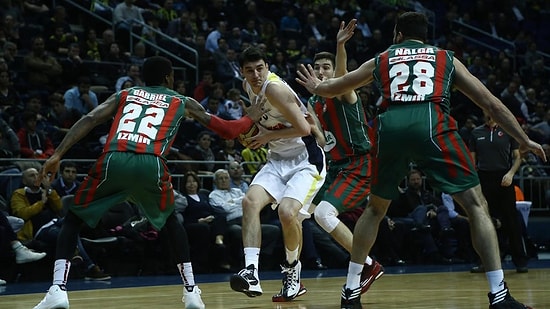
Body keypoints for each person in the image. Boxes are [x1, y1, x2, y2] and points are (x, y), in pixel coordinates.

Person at [296, 13, 545, 309]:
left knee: (375, 210)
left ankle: (350, 292)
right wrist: (523, 139)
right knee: (476, 205)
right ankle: (498, 295)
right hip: (430, 121)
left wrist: (317, 88)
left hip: (391, 126)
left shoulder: (384, 57)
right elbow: (490, 102)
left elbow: (338, 86)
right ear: (423, 36)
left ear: (398, 34)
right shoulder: (445, 57)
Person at [32, 56, 267, 309]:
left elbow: (90, 118)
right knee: (171, 223)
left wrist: (57, 154)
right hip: (150, 163)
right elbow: (228, 130)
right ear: (168, 78)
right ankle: (191, 293)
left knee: (73, 220)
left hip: (114, 159)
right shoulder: (181, 100)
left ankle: (58, 289)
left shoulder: (125, 94)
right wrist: (249, 118)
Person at [229, 46, 327, 302]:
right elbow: (254, 126)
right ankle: (251, 272)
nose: (255, 74)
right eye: (249, 70)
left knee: (286, 212)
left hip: (305, 159)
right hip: (277, 159)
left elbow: (305, 129)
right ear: (242, 72)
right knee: (249, 201)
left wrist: (268, 135)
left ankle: (293, 270)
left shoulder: (274, 88)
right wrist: (251, 122)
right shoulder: (247, 86)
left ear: (268, 67)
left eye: (260, 68)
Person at [307, 21, 383, 295]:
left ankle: (369, 265)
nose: (321, 72)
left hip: (358, 163)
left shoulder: (344, 91)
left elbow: (342, 74)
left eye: (325, 68)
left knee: (325, 215)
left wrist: (340, 45)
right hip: (334, 166)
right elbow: (317, 136)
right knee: (297, 211)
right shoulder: (313, 102)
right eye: (317, 68)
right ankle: (292, 278)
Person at [469, 112, 529, 273]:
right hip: (484, 178)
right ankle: (485, 262)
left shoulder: (508, 131)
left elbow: (519, 157)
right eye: (486, 112)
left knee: (511, 220)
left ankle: (520, 261)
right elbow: (472, 160)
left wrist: (510, 174)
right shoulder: (476, 133)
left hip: (504, 177)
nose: (489, 115)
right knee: (485, 220)